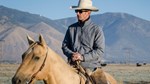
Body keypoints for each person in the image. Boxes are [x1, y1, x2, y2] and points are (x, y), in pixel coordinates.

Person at [62, 0, 105, 71]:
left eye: (80, 11)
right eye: (76, 11)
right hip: (72, 66)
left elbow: (99, 50)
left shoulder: (96, 30)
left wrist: (82, 57)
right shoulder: (71, 28)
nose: (78, 14)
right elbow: (65, 46)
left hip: (92, 68)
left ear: (88, 12)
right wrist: (72, 54)